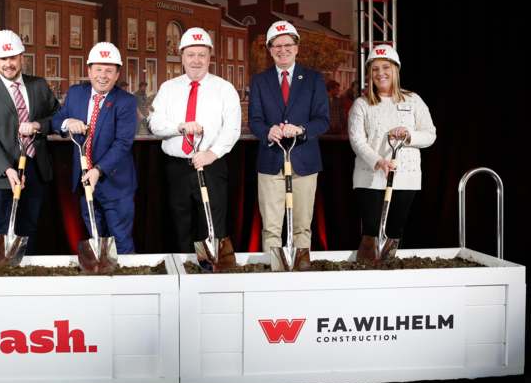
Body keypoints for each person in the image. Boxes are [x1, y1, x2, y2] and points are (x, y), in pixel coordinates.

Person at [149, 27, 241, 252]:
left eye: (202, 55)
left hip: (211, 165)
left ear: (210, 57)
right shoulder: (168, 88)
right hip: (176, 168)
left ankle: (210, 274)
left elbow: (232, 128)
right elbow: (154, 124)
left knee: (212, 225)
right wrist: (179, 127)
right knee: (179, 225)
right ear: (182, 57)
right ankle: (182, 275)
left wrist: (211, 154)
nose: (196, 60)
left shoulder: (224, 89)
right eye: (191, 55)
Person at [248, 21, 329, 270]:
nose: (282, 50)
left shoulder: (314, 79)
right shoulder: (260, 81)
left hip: (304, 162)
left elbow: (322, 120)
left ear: (297, 48)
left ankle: (300, 276)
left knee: (302, 225)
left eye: (288, 45)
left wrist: (302, 130)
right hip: (271, 161)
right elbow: (255, 120)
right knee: (271, 227)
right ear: (270, 50)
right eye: (277, 46)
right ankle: (273, 276)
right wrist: (267, 131)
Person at [0, 30, 59, 253]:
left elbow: (57, 117)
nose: (8, 64)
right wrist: (8, 170)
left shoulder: (39, 85)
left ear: (22, 56)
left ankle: (27, 279)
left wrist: (38, 125)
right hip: (2, 173)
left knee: (31, 227)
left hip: (36, 168)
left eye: (13, 58)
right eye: (3, 59)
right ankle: (4, 278)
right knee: (3, 229)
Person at [348, 44, 436, 260]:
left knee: (395, 230)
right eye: (375, 69)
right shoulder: (361, 104)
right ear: (370, 73)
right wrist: (378, 161)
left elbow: (430, 134)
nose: (380, 73)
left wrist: (408, 135)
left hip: (406, 177)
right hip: (370, 177)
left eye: (385, 67)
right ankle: (367, 271)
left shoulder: (413, 100)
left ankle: (387, 270)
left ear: (395, 69)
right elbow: (357, 140)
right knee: (371, 229)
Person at [51, 42, 138, 254]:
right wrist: (67, 122)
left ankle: (131, 285)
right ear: (88, 71)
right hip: (84, 184)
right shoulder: (76, 93)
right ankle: (103, 280)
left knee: (121, 240)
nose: (103, 75)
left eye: (109, 70)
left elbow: (123, 143)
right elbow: (57, 121)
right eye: (98, 69)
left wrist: (98, 170)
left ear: (117, 75)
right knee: (96, 239)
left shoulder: (126, 102)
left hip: (115, 185)